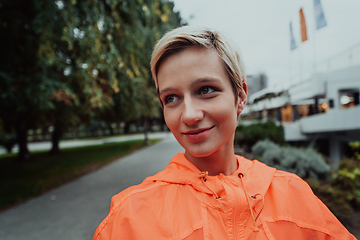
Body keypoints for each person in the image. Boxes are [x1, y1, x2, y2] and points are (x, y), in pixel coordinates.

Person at [93, 26, 356, 240]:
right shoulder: (129, 216)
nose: (189, 115)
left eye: (205, 90)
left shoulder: (295, 195)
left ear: (240, 96)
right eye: (171, 98)